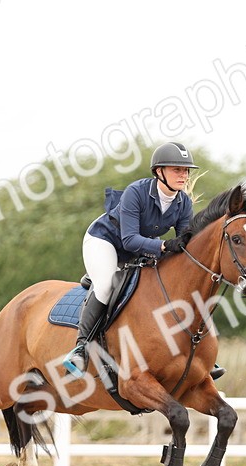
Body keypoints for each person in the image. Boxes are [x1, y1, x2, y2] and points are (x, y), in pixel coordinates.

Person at [64, 142, 223, 380]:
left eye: (186, 170)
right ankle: (80, 348)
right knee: (106, 285)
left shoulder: (183, 203)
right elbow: (128, 240)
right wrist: (162, 246)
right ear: (159, 172)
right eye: (177, 170)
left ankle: (196, 351)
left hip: (139, 248)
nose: (184, 175)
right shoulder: (136, 192)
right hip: (106, 241)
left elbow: (184, 244)